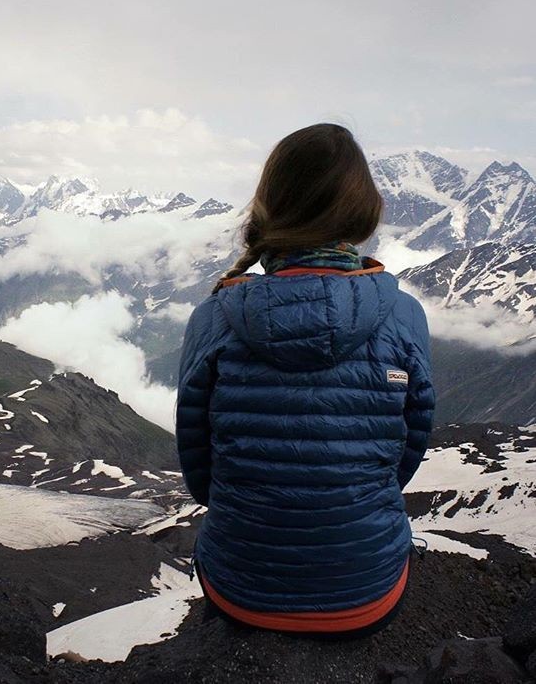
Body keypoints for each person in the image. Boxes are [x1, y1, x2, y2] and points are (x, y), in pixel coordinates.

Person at [175, 123, 435, 639]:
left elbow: (198, 460)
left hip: (240, 590)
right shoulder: (403, 316)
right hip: (368, 592)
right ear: (363, 211)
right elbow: (407, 448)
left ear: (269, 207)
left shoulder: (214, 318)